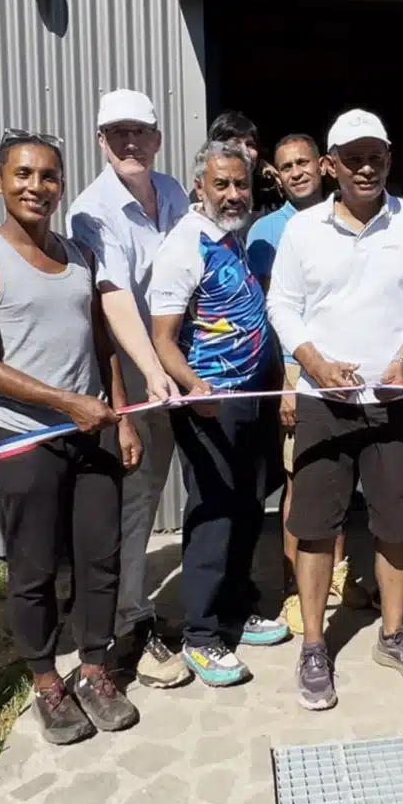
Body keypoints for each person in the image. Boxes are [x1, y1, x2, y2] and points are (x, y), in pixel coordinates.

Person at [0, 131, 142, 744]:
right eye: (24, 175)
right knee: (33, 569)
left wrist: (121, 414)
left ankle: (94, 670)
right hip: (26, 438)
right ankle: (46, 681)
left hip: (92, 431)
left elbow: (101, 343)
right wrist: (67, 403)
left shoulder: (79, 255)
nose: (37, 187)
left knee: (100, 557)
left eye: (49, 176)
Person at [267, 109, 403, 709]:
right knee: (315, 527)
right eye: (353, 158)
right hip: (324, 401)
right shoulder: (304, 230)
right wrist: (314, 363)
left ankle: (393, 635)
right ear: (331, 166)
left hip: (397, 400)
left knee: (397, 523)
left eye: (375, 156)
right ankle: (314, 645)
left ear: (390, 157)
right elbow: (282, 306)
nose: (366, 168)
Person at [148, 141, 292, 687]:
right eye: (222, 184)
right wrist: (194, 387)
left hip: (249, 399)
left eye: (241, 184)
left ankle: (236, 608)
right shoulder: (185, 244)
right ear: (199, 188)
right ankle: (202, 635)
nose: (234, 194)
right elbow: (163, 338)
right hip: (210, 405)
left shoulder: (230, 237)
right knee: (213, 515)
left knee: (248, 507)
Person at [65, 89, 189, 691]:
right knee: (134, 499)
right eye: (118, 133)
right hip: (134, 376)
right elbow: (113, 297)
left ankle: (144, 605)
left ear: (157, 138)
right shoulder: (91, 211)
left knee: (165, 488)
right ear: (101, 141)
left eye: (140, 131)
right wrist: (153, 371)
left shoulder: (173, 191)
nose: (130, 143)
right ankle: (126, 621)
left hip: (180, 368)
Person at [244, 134, 354, 635]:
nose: (296, 173)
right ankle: (296, 585)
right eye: (286, 166)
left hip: (345, 366)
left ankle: (338, 576)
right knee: (301, 479)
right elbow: (271, 314)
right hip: (295, 370)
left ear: (323, 166)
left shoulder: (347, 215)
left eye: (303, 163)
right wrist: (287, 382)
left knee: (340, 475)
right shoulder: (266, 231)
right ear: (277, 175)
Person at [208, 109, 285, 215]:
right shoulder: (204, 194)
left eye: (250, 145)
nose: (245, 151)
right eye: (235, 144)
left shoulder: (270, 192)